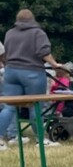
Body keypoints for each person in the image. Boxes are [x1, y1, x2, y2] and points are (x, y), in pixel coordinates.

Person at [0, 9, 66, 149]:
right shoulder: (38, 33)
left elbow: (6, 53)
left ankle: (2, 139)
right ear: (32, 19)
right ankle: (41, 140)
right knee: (36, 107)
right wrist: (55, 64)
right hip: (32, 73)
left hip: (11, 71)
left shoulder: (9, 33)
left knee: (9, 107)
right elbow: (44, 52)